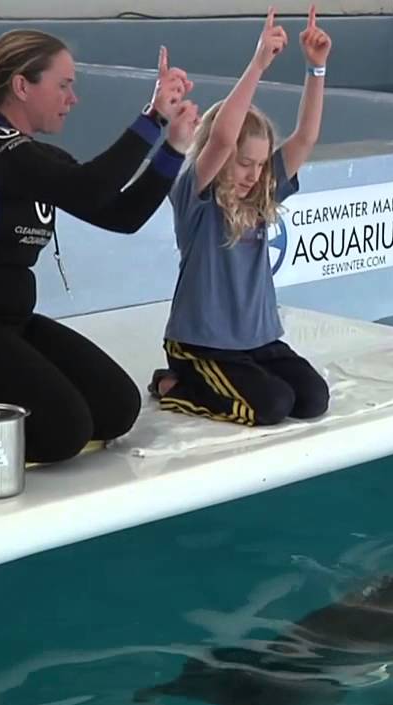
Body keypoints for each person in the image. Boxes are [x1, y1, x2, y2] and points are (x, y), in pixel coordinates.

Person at [0, 29, 200, 463]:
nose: (72, 99)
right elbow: (92, 187)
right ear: (22, 85)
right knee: (63, 432)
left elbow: (121, 215)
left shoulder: (34, 159)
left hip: (9, 325)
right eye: (63, 85)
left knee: (117, 408)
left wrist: (173, 148)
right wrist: (151, 118)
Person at [148, 6, 331, 427]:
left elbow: (306, 137)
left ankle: (244, 377)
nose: (254, 174)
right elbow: (224, 135)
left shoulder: (260, 193)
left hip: (258, 341)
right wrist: (259, 64)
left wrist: (315, 69)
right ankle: (173, 385)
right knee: (269, 407)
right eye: (244, 163)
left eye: (260, 164)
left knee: (311, 400)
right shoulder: (197, 195)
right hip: (201, 346)